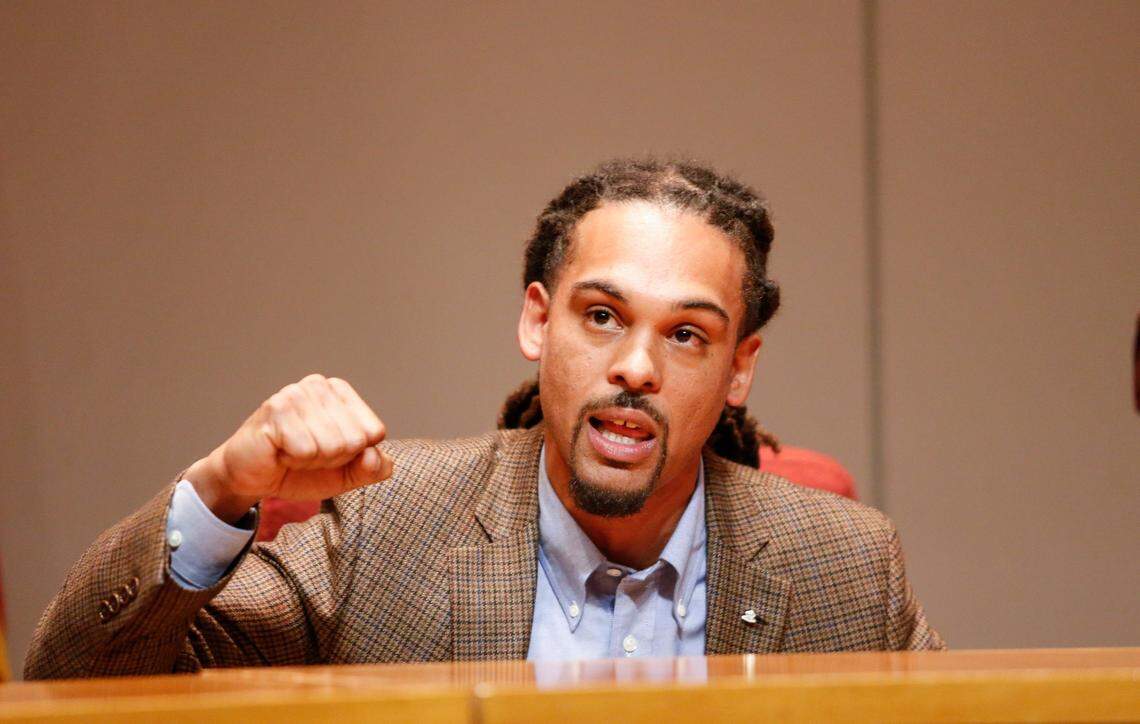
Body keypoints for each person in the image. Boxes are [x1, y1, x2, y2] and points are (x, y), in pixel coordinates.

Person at [25, 158, 943, 679]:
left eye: (689, 336)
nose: (634, 365)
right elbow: (72, 681)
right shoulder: (385, 530)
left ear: (740, 366)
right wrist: (223, 488)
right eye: (601, 316)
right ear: (537, 322)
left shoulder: (845, 569)